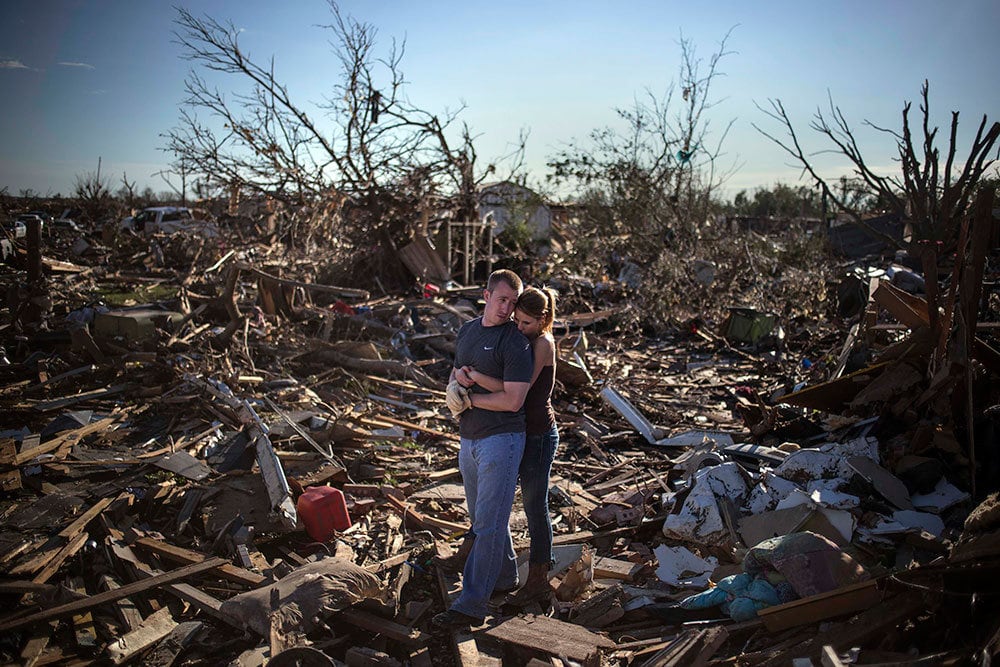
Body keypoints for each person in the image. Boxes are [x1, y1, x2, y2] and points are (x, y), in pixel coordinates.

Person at [431, 269, 533, 629]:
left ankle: (471, 605)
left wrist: (471, 398)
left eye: (513, 302)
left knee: (489, 524)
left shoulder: (515, 343)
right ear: (486, 296)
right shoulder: (468, 330)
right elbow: (457, 371)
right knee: (483, 519)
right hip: (469, 438)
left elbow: (513, 401)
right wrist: (453, 388)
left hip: (501, 441)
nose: (506, 308)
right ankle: (504, 578)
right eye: (501, 299)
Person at [457, 286, 559, 606]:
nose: (519, 328)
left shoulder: (542, 343)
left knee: (533, 505)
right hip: (519, 431)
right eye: (517, 321)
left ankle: (540, 576)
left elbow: (517, 391)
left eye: (526, 323)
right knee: (493, 498)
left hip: (539, 435)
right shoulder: (521, 338)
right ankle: (486, 559)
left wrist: (474, 379)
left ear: (543, 320)